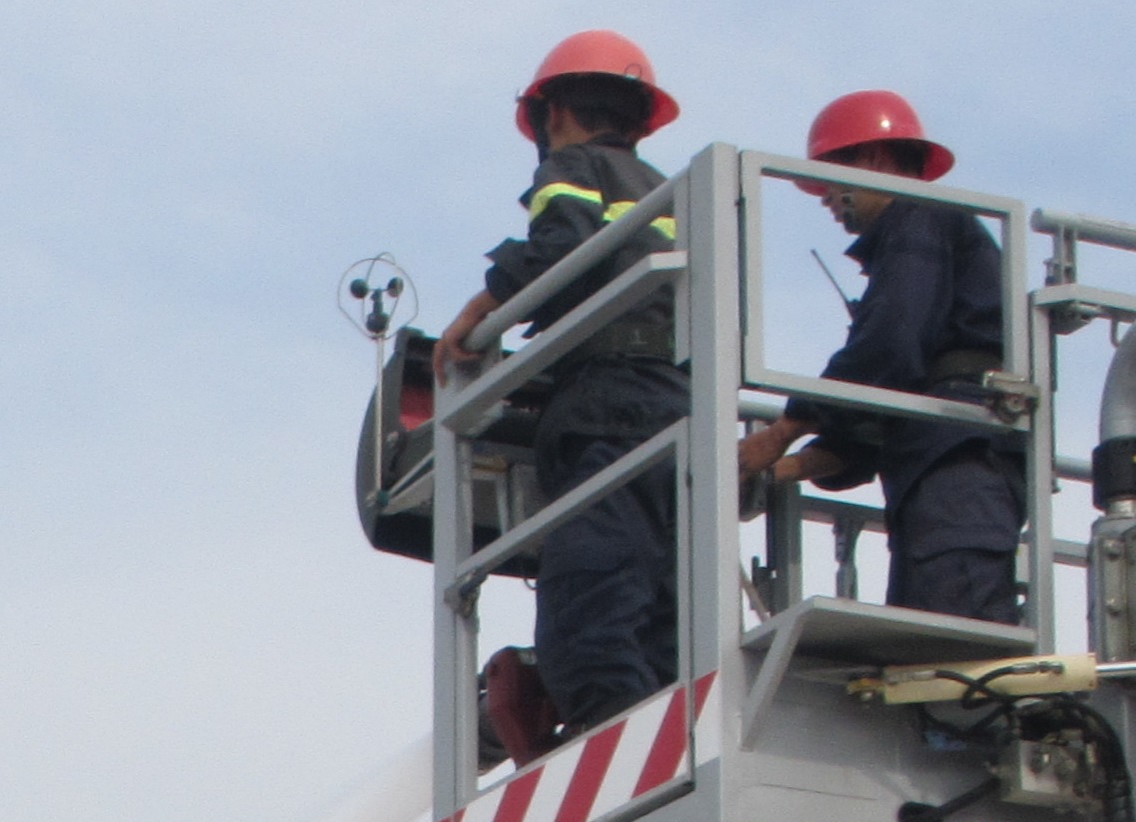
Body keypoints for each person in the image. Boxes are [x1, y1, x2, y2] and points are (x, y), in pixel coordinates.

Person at [432, 32, 686, 743]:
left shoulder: (574, 166)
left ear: (555, 113)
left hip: (609, 402)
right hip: (676, 407)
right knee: (662, 609)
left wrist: (481, 311)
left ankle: (621, 753)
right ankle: (668, 744)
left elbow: (560, 245)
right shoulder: (672, 193)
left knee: (588, 612)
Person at [735, 91, 1023, 628]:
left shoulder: (919, 218)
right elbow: (879, 411)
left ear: (872, 159)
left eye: (829, 178)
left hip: (960, 465)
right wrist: (780, 471)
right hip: (940, 470)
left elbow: (889, 347)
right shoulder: (927, 239)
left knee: (955, 648)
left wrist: (784, 430)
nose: (824, 197)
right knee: (930, 646)